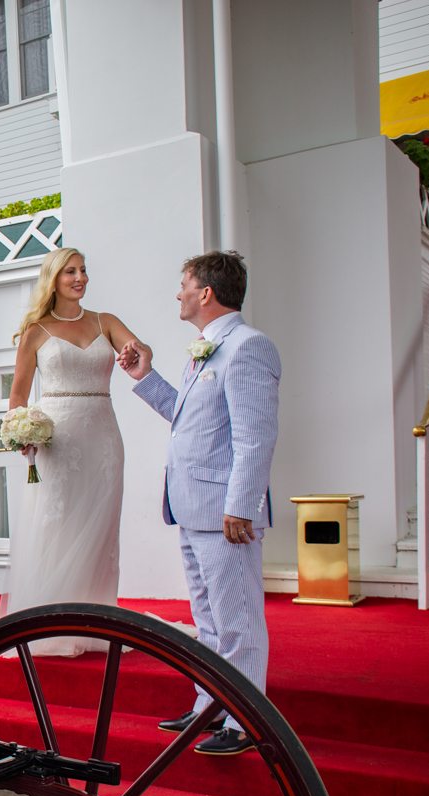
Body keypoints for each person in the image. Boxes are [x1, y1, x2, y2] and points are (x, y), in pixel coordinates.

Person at [118, 250, 280, 757]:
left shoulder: (249, 347)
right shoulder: (203, 350)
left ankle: (246, 721)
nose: (178, 293)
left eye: (183, 284)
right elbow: (186, 418)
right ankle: (210, 705)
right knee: (208, 619)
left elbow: (255, 437)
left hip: (225, 512)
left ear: (206, 293)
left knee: (238, 620)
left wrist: (241, 506)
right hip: (191, 507)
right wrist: (146, 375)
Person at [4, 247, 148, 656]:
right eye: (70, 271)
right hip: (57, 439)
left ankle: (95, 621)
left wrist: (139, 355)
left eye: (83, 270)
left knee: (100, 527)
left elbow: (141, 350)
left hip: (103, 435)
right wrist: (20, 432)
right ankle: (49, 620)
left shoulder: (106, 322)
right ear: (54, 278)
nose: (80, 277)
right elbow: (17, 394)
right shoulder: (36, 330)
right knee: (57, 523)